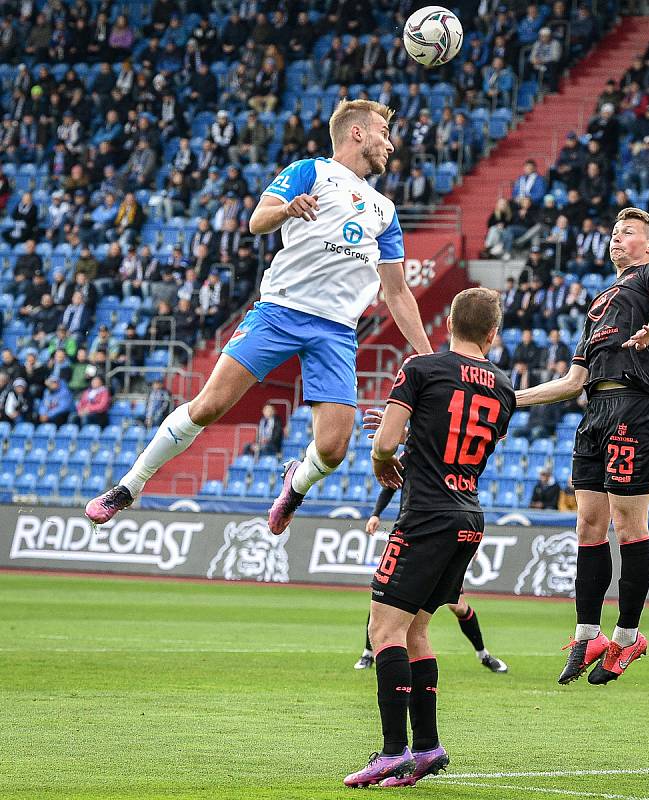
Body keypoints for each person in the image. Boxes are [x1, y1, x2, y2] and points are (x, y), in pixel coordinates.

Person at [86, 100, 431, 527]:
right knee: (208, 407)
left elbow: (397, 291)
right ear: (357, 133)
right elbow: (256, 221)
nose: (390, 144)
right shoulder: (310, 171)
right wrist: (288, 209)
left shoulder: (386, 211)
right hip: (280, 311)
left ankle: (295, 486)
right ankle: (129, 486)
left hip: (337, 331)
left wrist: (430, 355)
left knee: (334, 448)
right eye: (383, 132)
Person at [344, 288, 515, 788]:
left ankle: (393, 751)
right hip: (469, 515)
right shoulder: (503, 387)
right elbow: (464, 437)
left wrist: (383, 462)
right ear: (492, 334)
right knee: (417, 630)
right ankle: (427, 747)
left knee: (384, 630)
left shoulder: (420, 368)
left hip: (425, 515)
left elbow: (386, 442)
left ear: (447, 326)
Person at [515, 207, 649, 686]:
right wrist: (513, 398)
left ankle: (628, 635)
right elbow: (573, 381)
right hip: (594, 413)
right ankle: (588, 632)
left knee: (629, 525)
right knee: (588, 523)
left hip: (635, 407)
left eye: (627, 233)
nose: (616, 240)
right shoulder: (600, 302)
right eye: (613, 233)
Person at [354, 471, 508, 674]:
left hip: (441, 538)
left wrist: (467, 538)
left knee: (458, 607)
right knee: (385, 597)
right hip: (408, 534)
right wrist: (376, 513)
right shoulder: (415, 454)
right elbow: (390, 482)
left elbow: (464, 494)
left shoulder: (445, 462)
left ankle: (483, 655)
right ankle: (368, 653)